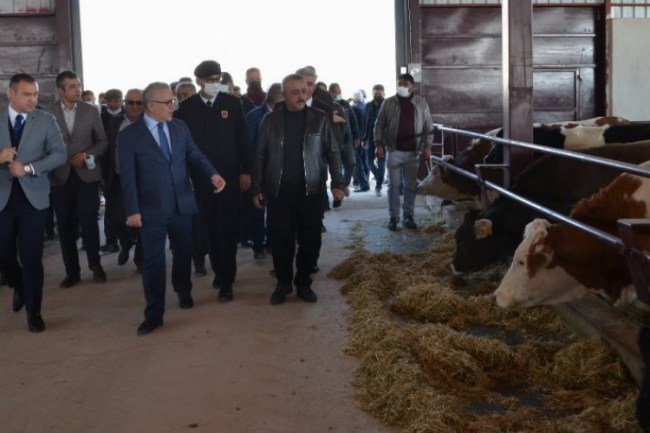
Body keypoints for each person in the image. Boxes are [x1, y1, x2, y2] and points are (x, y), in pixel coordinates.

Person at [118, 82, 226, 336]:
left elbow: (195, 155)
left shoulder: (179, 127)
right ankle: (154, 313)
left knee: (184, 252)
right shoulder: (129, 135)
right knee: (153, 261)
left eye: (173, 101)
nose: (173, 107)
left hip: (182, 204)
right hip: (150, 209)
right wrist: (132, 210)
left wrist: (213, 174)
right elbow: (128, 177)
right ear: (151, 106)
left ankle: (183, 290)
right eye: (168, 102)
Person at [251, 73, 344, 306]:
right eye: (295, 92)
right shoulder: (270, 120)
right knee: (281, 242)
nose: (301, 96)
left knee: (311, 241)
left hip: (311, 192)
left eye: (304, 91)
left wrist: (337, 183)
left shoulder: (319, 118)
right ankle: (283, 283)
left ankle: (303, 282)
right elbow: (260, 154)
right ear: (283, 95)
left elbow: (333, 152)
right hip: (279, 193)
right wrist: (256, 187)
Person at [175, 60, 251, 303]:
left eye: (217, 79)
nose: (215, 83)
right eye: (209, 80)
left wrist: (246, 171)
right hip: (201, 180)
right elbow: (182, 149)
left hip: (229, 177)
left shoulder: (232, 104)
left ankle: (227, 280)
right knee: (209, 229)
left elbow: (243, 140)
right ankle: (219, 271)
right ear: (198, 81)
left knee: (227, 229)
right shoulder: (186, 109)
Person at [0, 73, 67, 332]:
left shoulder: (46, 120)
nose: (32, 99)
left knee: (31, 258)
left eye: (35, 94)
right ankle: (17, 284)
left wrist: (28, 168)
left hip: (34, 200)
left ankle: (34, 312)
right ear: (11, 94)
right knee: (4, 254)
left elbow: (60, 154)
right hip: (2, 199)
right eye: (26, 94)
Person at [49, 70, 109, 287]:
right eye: (72, 86)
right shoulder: (47, 113)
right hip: (60, 176)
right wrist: (62, 160)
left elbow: (102, 141)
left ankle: (95, 264)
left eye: (79, 85)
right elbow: (44, 146)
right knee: (65, 225)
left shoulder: (90, 111)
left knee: (89, 220)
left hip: (87, 175)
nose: (78, 90)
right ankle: (72, 272)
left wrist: (86, 155)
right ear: (61, 90)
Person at [374, 74, 433, 231]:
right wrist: (378, 144)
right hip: (393, 150)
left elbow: (428, 126)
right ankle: (394, 217)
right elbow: (379, 124)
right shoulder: (388, 103)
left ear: (413, 86)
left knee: (410, 186)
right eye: (399, 83)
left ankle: (408, 216)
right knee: (393, 185)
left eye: (405, 84)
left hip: (413, 151)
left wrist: (427, 146)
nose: (402, 86)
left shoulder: (421, 103)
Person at [104, 88, 144, 270]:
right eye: (130, 102)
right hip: (118, 179)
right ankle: (126, 242)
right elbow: (107, 150)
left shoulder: (151, 123)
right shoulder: (114, 123)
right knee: (116, 218)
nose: (134, 106)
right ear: (124, 104)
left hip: (144, 181)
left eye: (139, 103)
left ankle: (140, 257)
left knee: (145, 220)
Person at [245, 82, 283, 260]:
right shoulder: (254, 116)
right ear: (277, 98)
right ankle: (258, 245)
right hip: (259, 170)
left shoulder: (283, 114)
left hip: (278, 170)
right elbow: (250, 146)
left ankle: (272, 242)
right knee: (258, 208)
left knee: (276, 209)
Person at [364, 84, 386, 197]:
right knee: (368, 161)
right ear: (372, 92)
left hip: (382, 138)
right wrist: (363, 138)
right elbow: (365, 122)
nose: (377, 94)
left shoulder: (387, 105)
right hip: (369, 138)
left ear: (383, 93)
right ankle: (379, 177)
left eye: (379, 92)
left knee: (381, 161)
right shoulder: (368, 105)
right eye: (375, 92)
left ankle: (378, 186)